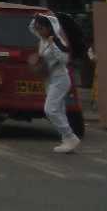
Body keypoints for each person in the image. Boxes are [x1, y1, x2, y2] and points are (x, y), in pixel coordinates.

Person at [30, 14, 79, 154]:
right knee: (59, 110)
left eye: (41, 28)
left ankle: (70, 136)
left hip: (60, 79)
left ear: (49, 27)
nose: (38, 31)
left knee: (50, 110)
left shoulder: (57, 40)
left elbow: (64, 59)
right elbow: (32, 28)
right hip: (49, 79)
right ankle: (67, 141)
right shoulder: (42, 40)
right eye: (37, 28)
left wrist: (53, 46)